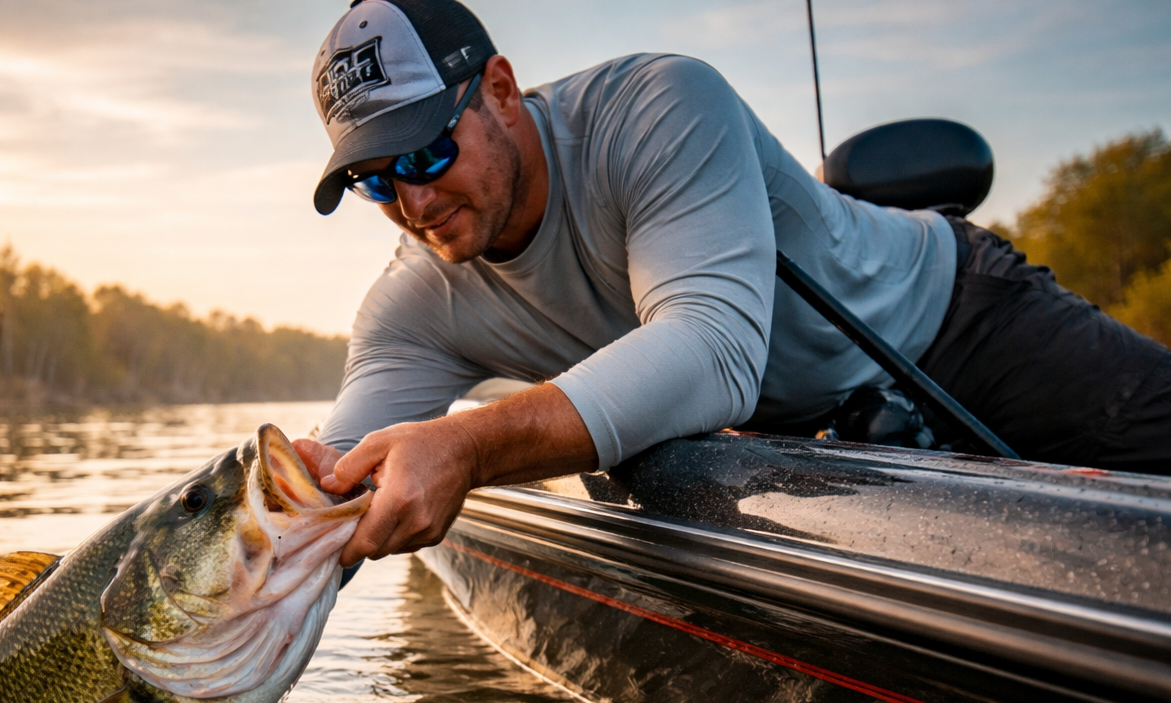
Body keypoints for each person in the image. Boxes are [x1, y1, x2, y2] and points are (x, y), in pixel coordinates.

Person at [292, 0, 1171, 572]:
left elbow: (714, 353)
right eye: (374, 179)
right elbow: (326, 488)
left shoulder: (659, 106)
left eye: (425, 152)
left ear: (500, 89)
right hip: (794, 426)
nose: (411, 200)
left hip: (952, 317)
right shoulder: (409, 307)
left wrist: (469, 447)